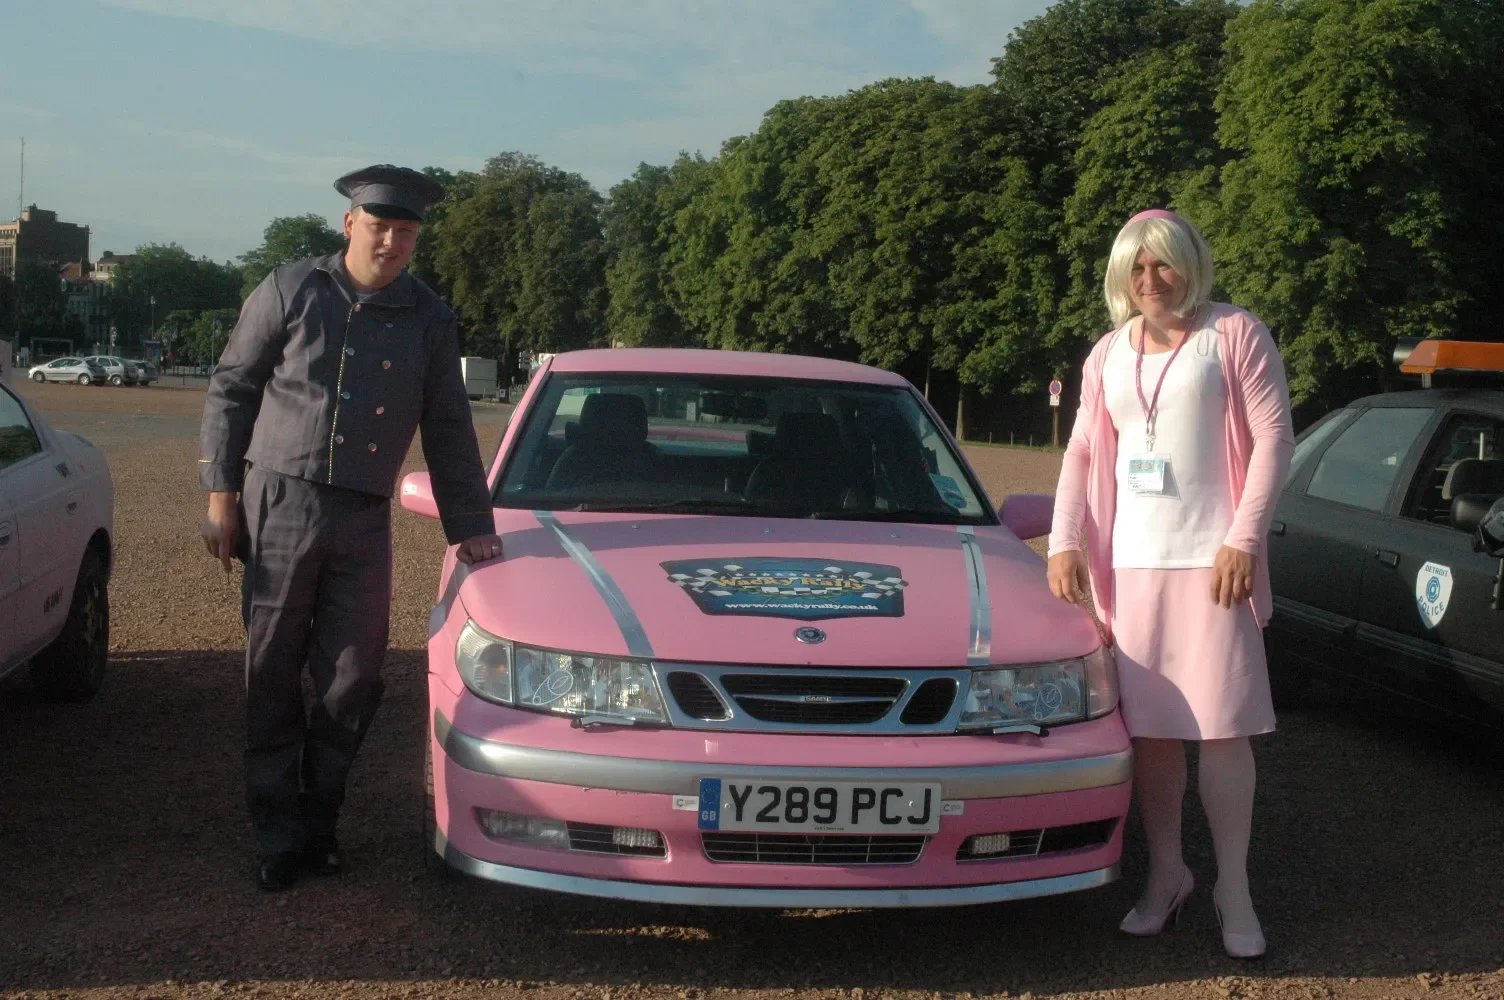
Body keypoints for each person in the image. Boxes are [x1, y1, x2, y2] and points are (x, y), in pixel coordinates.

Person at [199, 164, 505, 892]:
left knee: (354, 678)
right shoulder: (291, 289)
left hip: (363, 518)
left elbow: (450, 426)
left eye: (405, 232)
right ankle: (277, 833)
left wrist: (472, 525)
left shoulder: (429, 317)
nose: (392, 242)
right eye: (380, 226)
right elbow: (232, 388)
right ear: (349, 224)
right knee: (272, 671)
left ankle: (319, 818)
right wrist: (220, 494)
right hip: (281, 502)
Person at [1046, 209, 1293, 959]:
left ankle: (1234, 889)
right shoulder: (1107, 354)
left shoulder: (1234, 333)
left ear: (1190, 264)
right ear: (1122, 278)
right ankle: (1168, 875)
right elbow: (1084, 449)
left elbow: (1276, 436)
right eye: (1137, 269)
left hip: (1215, 566)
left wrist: (1244, 538)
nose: (1151, 281)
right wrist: (1063, 541)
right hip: (1135, 571)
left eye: (1164, 265)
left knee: (1223, 732)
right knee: (1152, 736)